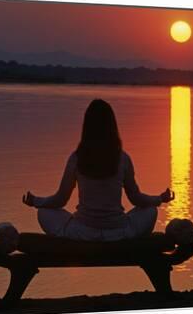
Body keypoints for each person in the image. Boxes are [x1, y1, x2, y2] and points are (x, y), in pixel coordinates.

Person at [22, 98, 175, 241]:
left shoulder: (77, 157)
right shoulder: (122, 158)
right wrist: (159, 199)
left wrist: (36, 201)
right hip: (117, 232)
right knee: (150, 211)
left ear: (86, 127)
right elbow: (136, 198)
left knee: (44, 211)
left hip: (82, 231)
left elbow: (61, 199)